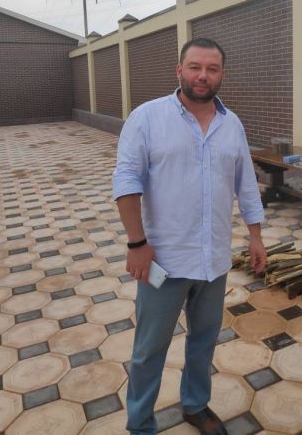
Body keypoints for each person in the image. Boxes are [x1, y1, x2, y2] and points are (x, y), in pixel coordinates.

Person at [112, 37, 266, 435]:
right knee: (149, 349)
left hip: (214, 260)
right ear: (179, 70)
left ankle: (196, 404)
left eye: (211, 69)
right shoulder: (147, 118)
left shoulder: (232, 125)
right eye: (195, 67)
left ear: (222, 74)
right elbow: (126, 182)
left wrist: (255, 236)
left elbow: (246, 185)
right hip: (164, 260)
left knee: (204, 339)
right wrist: (136, 243)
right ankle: (140, 424)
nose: (202, 75)